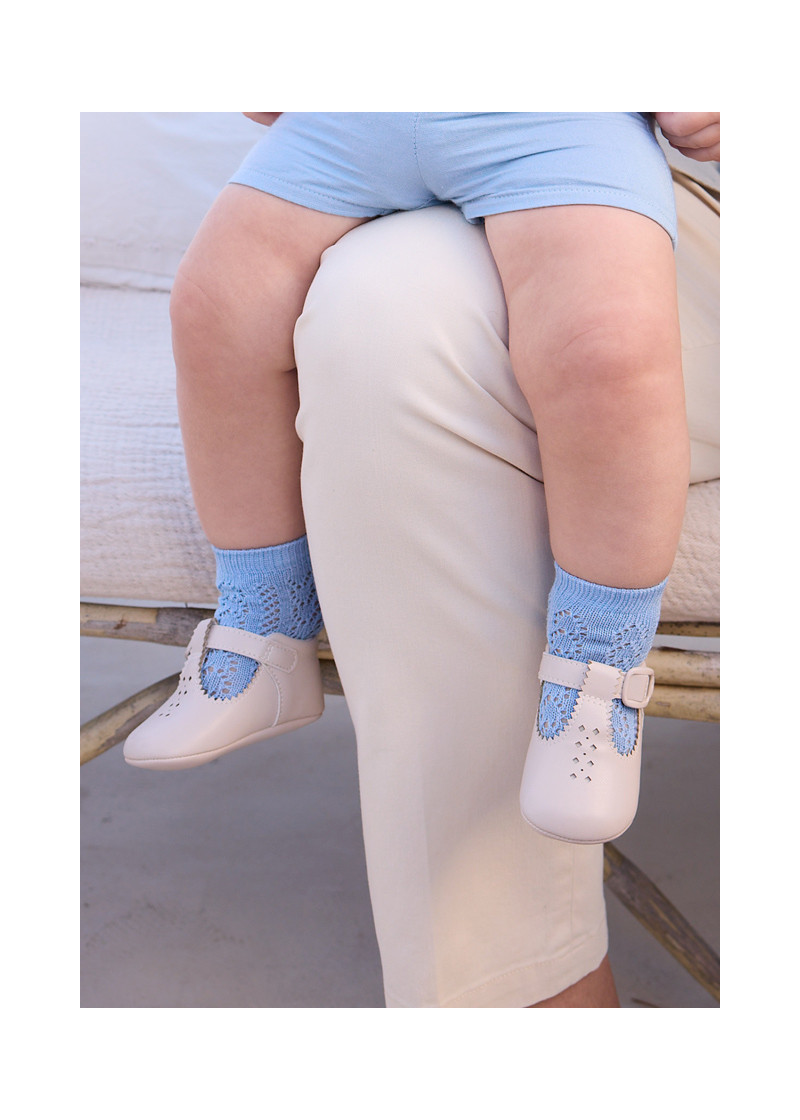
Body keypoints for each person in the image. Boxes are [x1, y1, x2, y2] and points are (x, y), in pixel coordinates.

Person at [123, 112, 719, 849]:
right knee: (215, 306)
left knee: (601, 349)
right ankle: (262, 625)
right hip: (361, 109)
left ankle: (596, 675)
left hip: (556, 114)